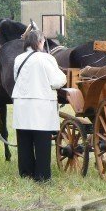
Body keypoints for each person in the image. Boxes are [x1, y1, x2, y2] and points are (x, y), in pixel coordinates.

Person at [11, 30, 67, 181]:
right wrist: (63, 76)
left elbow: (16, 78)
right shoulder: (47, 58)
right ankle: (42, 176)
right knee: (42, 143)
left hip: (22, 104)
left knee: (24, 142)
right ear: (39, 42)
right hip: (41, 105)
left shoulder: (18, 59)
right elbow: (57, 81)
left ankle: (26, 174)